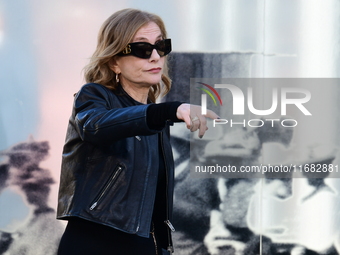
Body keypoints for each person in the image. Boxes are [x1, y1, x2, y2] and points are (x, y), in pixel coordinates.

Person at [56, 8, 218, 255]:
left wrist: (161, 247)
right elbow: (95, 125)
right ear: (114, 62)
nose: (155, 57)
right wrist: (166, 111)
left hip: (142, 245)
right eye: (142, 49)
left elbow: (154, 202)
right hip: (94, 242)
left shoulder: (153, 118)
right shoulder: (94, 96)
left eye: (161, 46)